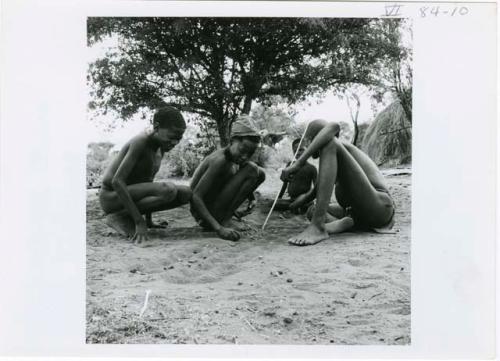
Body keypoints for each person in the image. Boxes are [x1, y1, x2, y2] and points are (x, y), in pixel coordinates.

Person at [281, 119, 395, 246]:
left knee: (331, 144)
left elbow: (334, 126)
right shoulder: (333, 161)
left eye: (309, 140)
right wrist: (298, 202)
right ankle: (347, 224)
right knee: (312, 210)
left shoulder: (336, 145)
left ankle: (318, 226)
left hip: (380, 208)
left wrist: (298, 163)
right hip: (358, 214)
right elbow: (317, 190)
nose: (307, 145)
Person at [99, 106, 192, 244]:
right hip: (111, 197)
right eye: (171, 137)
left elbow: (148, 181)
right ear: (156, 127)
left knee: (186, 193)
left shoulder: (161, 147)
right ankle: (118, 217)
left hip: (131, 194)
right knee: (169, 189)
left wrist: (148, 221)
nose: (174, 143)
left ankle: (126, 216)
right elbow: (117, 181)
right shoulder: (140, 142)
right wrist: (139, 221)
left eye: (178, 138)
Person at [190, 116, 266, 241]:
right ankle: (225, 220)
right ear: (232, 141)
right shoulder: (220, 160)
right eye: (242, 150)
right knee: (252, 168)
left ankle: (226, 217)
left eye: (250, 153)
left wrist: (252, 198)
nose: (244, 157)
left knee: (260, 172)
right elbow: (195, 196)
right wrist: (218, 229)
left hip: (215, 208)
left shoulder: (235, 158)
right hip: (204, 216)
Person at [275, 138, 317, 214]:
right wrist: (279, 197)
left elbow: (316, 187)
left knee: (307, 206)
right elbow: (284, 184)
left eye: (301, 150)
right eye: (295, 151)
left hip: (305, 200)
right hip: (292, 199)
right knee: (273, 204)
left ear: (308, 150)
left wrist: (309, 199)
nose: (298, 153)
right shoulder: (290, 165)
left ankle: (297, 208)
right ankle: (294, 207)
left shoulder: (311, 168)